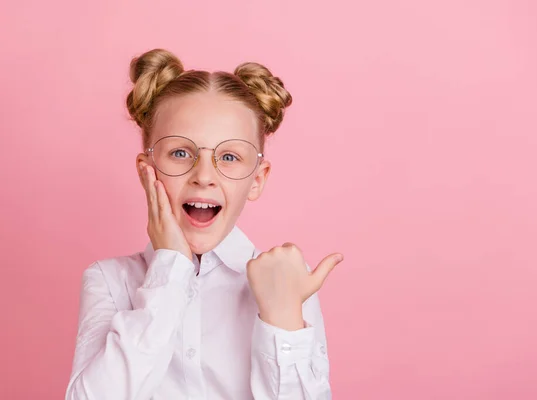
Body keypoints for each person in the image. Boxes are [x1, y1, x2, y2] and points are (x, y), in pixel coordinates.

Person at [65, 48, 343, 400]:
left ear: (257, 179)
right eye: (181, 153)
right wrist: (170, 268)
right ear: (146, 171)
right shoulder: (109, 281)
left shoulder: (288, 279)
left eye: (228, 156)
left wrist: (283, 318)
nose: (204, 176)